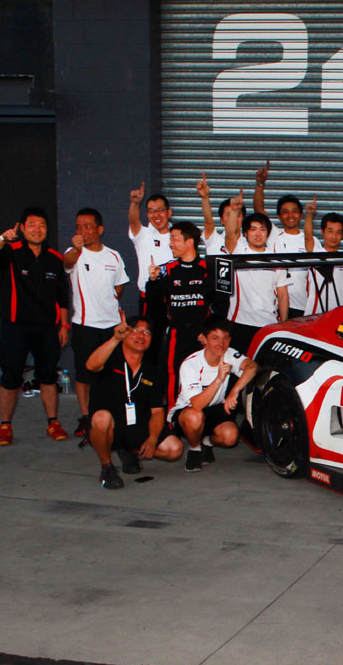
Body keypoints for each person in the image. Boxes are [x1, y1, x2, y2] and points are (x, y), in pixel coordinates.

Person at [0, 208, 71, 445]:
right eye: (31, 224)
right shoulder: (10, 252)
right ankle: (5, 426)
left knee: (48, 376)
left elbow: (62, 296)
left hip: (47, 329)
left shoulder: (54, 258)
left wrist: (64, 326)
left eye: (41, 224)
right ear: (22, 228)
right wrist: (2, 238)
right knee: (10, 376)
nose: (37, 229)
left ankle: (53, 422)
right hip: (15, 328)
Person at [84, 316, 183, 488]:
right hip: (110, 426)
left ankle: (130, 451)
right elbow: (91, 365)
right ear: (125, 334)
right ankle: (107, 468)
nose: (141, 336)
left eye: (147, 333)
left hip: (136, 426)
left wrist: (152, 439)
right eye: (136, 331)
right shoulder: (110, 356)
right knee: (101, 418)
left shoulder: (152, 372)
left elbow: (157, 411)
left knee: (174, 449)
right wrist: (115, 338)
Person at [62, 208, 129, 439]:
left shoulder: (114, 256)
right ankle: (86, 417)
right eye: (79, 227)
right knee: (84, 375)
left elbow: (119, 286)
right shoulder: (74, 254)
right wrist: (76, 248)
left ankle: (110, 415)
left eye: (88, 226)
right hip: (85, 325)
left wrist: (109, 304)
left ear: (100, 229)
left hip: (111, 328)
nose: (83, 231)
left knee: (112, 374)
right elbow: (66, 262)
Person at [168, 315, 258, 472]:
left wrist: (234, 391)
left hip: (215, 408)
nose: (221, 343)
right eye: (215, 338)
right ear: (203, 339)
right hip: (188, 411)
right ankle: (195, 449)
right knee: (194, 417)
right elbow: (197, 404)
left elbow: (252, 367)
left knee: (230, 437)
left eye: (226, 338)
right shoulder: (191, 363)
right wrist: (218, 379)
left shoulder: (229, 353)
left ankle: (207, 441)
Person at [145, 221, 215, 406]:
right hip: (177, 333)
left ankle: (198, 416)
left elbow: (221, 305)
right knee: (172, 374)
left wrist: (209, 332)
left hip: (202, 334)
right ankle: (171, 415)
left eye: (174, 239)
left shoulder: (208, 268)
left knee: (203, 373)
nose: (170, 244)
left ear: (189, 241)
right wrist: (152, 281)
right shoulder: (166, 270)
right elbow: (154, 306)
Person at [221, 193, 289, 354]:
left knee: (262, 371)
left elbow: (283, 295)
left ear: (267, 233)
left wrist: (284, 325)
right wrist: (235, 210)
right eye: (253, 229)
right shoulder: (238, 251)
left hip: (268, 324)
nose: (258, 234)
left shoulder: (276, 259)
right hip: (239, 323)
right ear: (245, 233)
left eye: (262, 229)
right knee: (237, 369)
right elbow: (230, 234)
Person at [300, 212, 343, 315]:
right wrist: (309, 215)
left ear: (342, 235)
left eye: (338, 232)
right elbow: (308, 237)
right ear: (322, 232)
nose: (334, 236)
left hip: (340, 318)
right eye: (330, 231)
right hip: (316, 316)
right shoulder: (315, 255)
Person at [126, 182, 172, 312]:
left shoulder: (178, 235)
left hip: (173, 298)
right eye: (151, 211)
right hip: (149, 297)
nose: (156, 215)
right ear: (147, 215)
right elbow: (133, 221)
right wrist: (135, 203)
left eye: (160, 210)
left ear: (169, 212)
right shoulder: (143, 235)